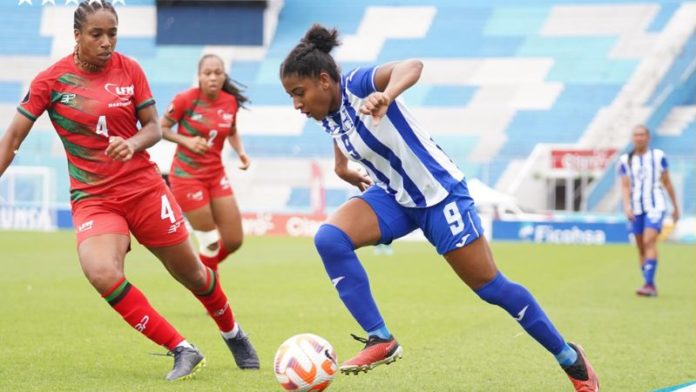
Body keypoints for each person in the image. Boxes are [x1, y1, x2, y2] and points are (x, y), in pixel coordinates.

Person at [279, 25, 599, 391]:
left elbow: (412, 65)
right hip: (395, 198)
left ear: (324, 80)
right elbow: (341, 129)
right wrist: (341, 167)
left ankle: (571, 360)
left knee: (491, 287)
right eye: (291, 96)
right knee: (330, 239)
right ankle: (381, 338)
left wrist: (387, 94)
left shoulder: (357, 85)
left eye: (298, 93)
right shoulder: (328, 113)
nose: (297, 104)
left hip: (439, 195)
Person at [0, 1, 259, 381]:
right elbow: (12, 139)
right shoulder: (51, 82)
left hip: (144, 191)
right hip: (94, 199)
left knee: (194, 275)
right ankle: (182, 349)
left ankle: (233, 332)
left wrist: (133, 143)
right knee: (102, 272)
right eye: (97, 34)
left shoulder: (130, 69)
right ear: (77, 36)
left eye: (112, 33)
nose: (107, 42)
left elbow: (154, 127)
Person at [160, 54, 250, 273]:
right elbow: (160, 129)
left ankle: (200, 273)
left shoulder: (229, 102)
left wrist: (240, 152)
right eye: (207, 73)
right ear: (199, 76)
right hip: (187, 177)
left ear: (224, 76)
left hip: (215, 175)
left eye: (217, 73)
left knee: (234, 240)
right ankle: (212, 297)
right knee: (209, 241)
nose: (212, 78)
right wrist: (186, 141)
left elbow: (231, 130)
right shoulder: (185, 100)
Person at [618, 125, 679, 297]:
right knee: (640, 247)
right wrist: (626, 206)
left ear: (648, 137)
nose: (639, 138)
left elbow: (667, 182)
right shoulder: (625, 160)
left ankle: (649, 284)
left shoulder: (658, 156)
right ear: (632, 138)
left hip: (655, 205)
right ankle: (648, 283)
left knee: (648, 241)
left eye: (642, 134)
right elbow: (624, 185)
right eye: (636, 135)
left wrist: (675, 207)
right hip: (636, 208)